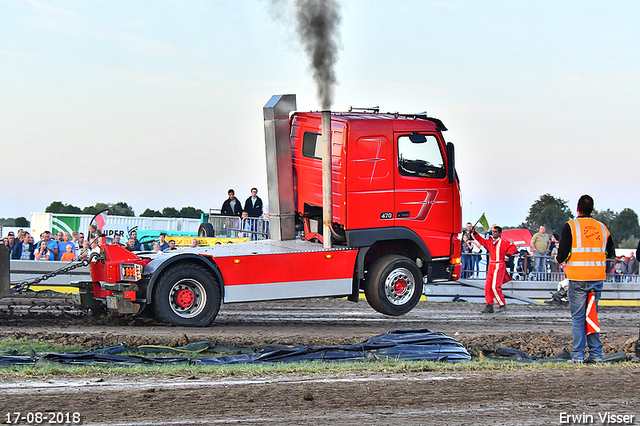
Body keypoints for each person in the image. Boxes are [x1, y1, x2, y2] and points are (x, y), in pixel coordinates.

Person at [556, 194, 615, 364]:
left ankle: (578, 356)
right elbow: (609, 253)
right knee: (592, 316)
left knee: (578, 318)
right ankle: (596, 355)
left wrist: (559, 259)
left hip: (578, 278)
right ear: (592, 209)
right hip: (597, 278)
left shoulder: (571, 226)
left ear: (577, 208)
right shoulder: (602, 228)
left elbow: (562, 254)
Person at [472, 225, 517, 313]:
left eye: (495, 232)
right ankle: (489, 305)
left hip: (499, 265)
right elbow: (481, 240)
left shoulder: (504, 242)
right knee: (488, 286)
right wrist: (474, 233)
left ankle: (502, 304)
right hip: (491, 265)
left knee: (495, 286)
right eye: (493, 231)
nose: (493, 233)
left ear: (500, 233)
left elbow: (513, 247)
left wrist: (508, 255)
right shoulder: (490, 241)